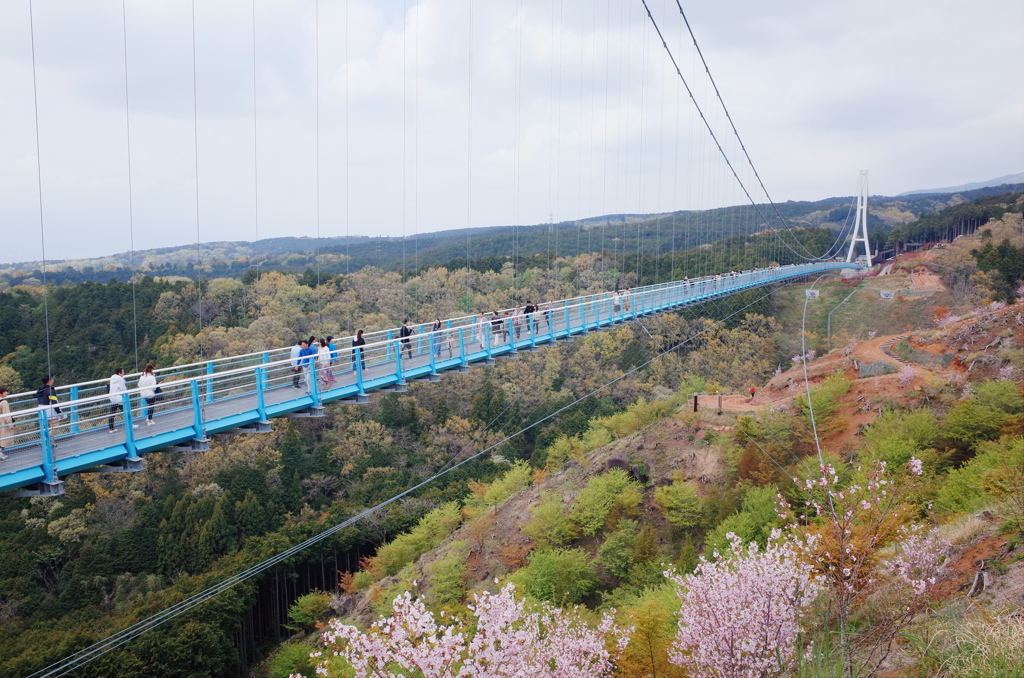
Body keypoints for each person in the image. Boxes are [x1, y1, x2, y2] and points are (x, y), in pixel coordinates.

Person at [107, 368, 136, 433]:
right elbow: (123, 389)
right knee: (126, 411)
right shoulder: (120, 379)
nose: (124, 374)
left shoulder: (112, 378)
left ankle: (111, 428)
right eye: (123, 372)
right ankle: (130, 425)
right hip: (119, 398)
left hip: (112, 398)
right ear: (119, 373)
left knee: (112, 413)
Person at [0, 386, 12, 460]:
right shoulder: (4, 402)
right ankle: (0, 453)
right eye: (5, 391)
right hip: (2, 421)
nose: (6, 393)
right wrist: (10, 423)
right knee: (3, 437)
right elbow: (6, 414)